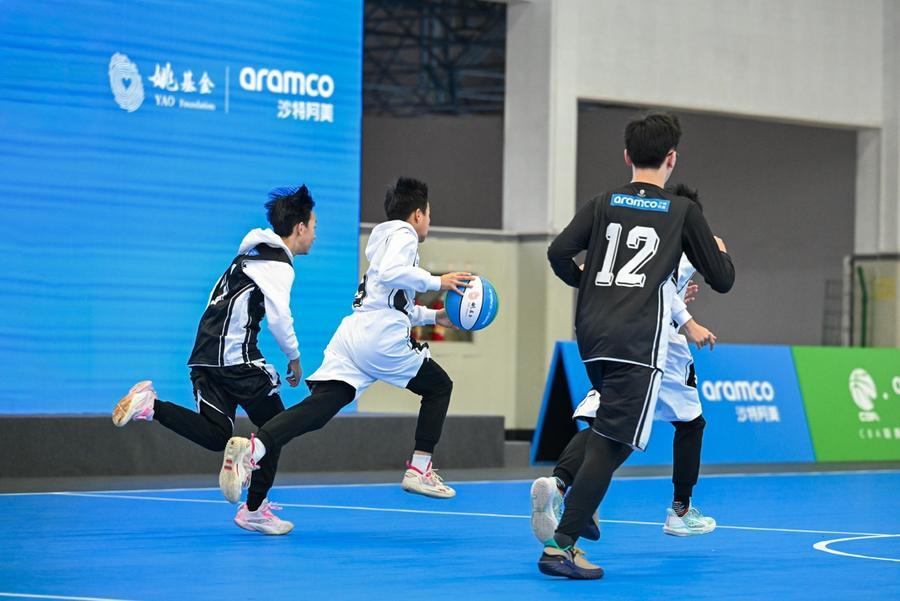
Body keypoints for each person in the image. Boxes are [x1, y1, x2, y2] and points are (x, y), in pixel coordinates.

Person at [537, 113, 735, 579]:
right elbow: (722, 279)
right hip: (636, 340)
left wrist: (586, 282)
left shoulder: (602, 202)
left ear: (627, 155)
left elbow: (557, 253)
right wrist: (720, 253)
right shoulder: (681, 212)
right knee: (614, 443)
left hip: (591, 335)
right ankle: (560, 545)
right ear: (672, 159)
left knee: (611, 431)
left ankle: (570, 497)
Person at [215, 177, 473, 508]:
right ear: (418, 215)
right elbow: (392, 274)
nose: (429, 222)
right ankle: (419, 469)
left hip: (354, 335)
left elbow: (394, 300)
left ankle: (253, 450)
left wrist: (435, 317)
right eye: (429, 215)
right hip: (381, 337)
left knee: (320, 408)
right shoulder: (405, 235)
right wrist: (438, 281)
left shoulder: (383, 240)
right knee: (438, 386)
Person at [112, 185, 317, 536]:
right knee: (276, 428)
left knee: (216, 433)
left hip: (204, 358)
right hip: (234, 358)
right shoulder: (278, 264)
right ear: (299, 227)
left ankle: (151, 406)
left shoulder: (249, 256)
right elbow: (280, 318)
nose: (315, 234)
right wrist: (294, 358)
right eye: (313, 226)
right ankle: (254, 509)